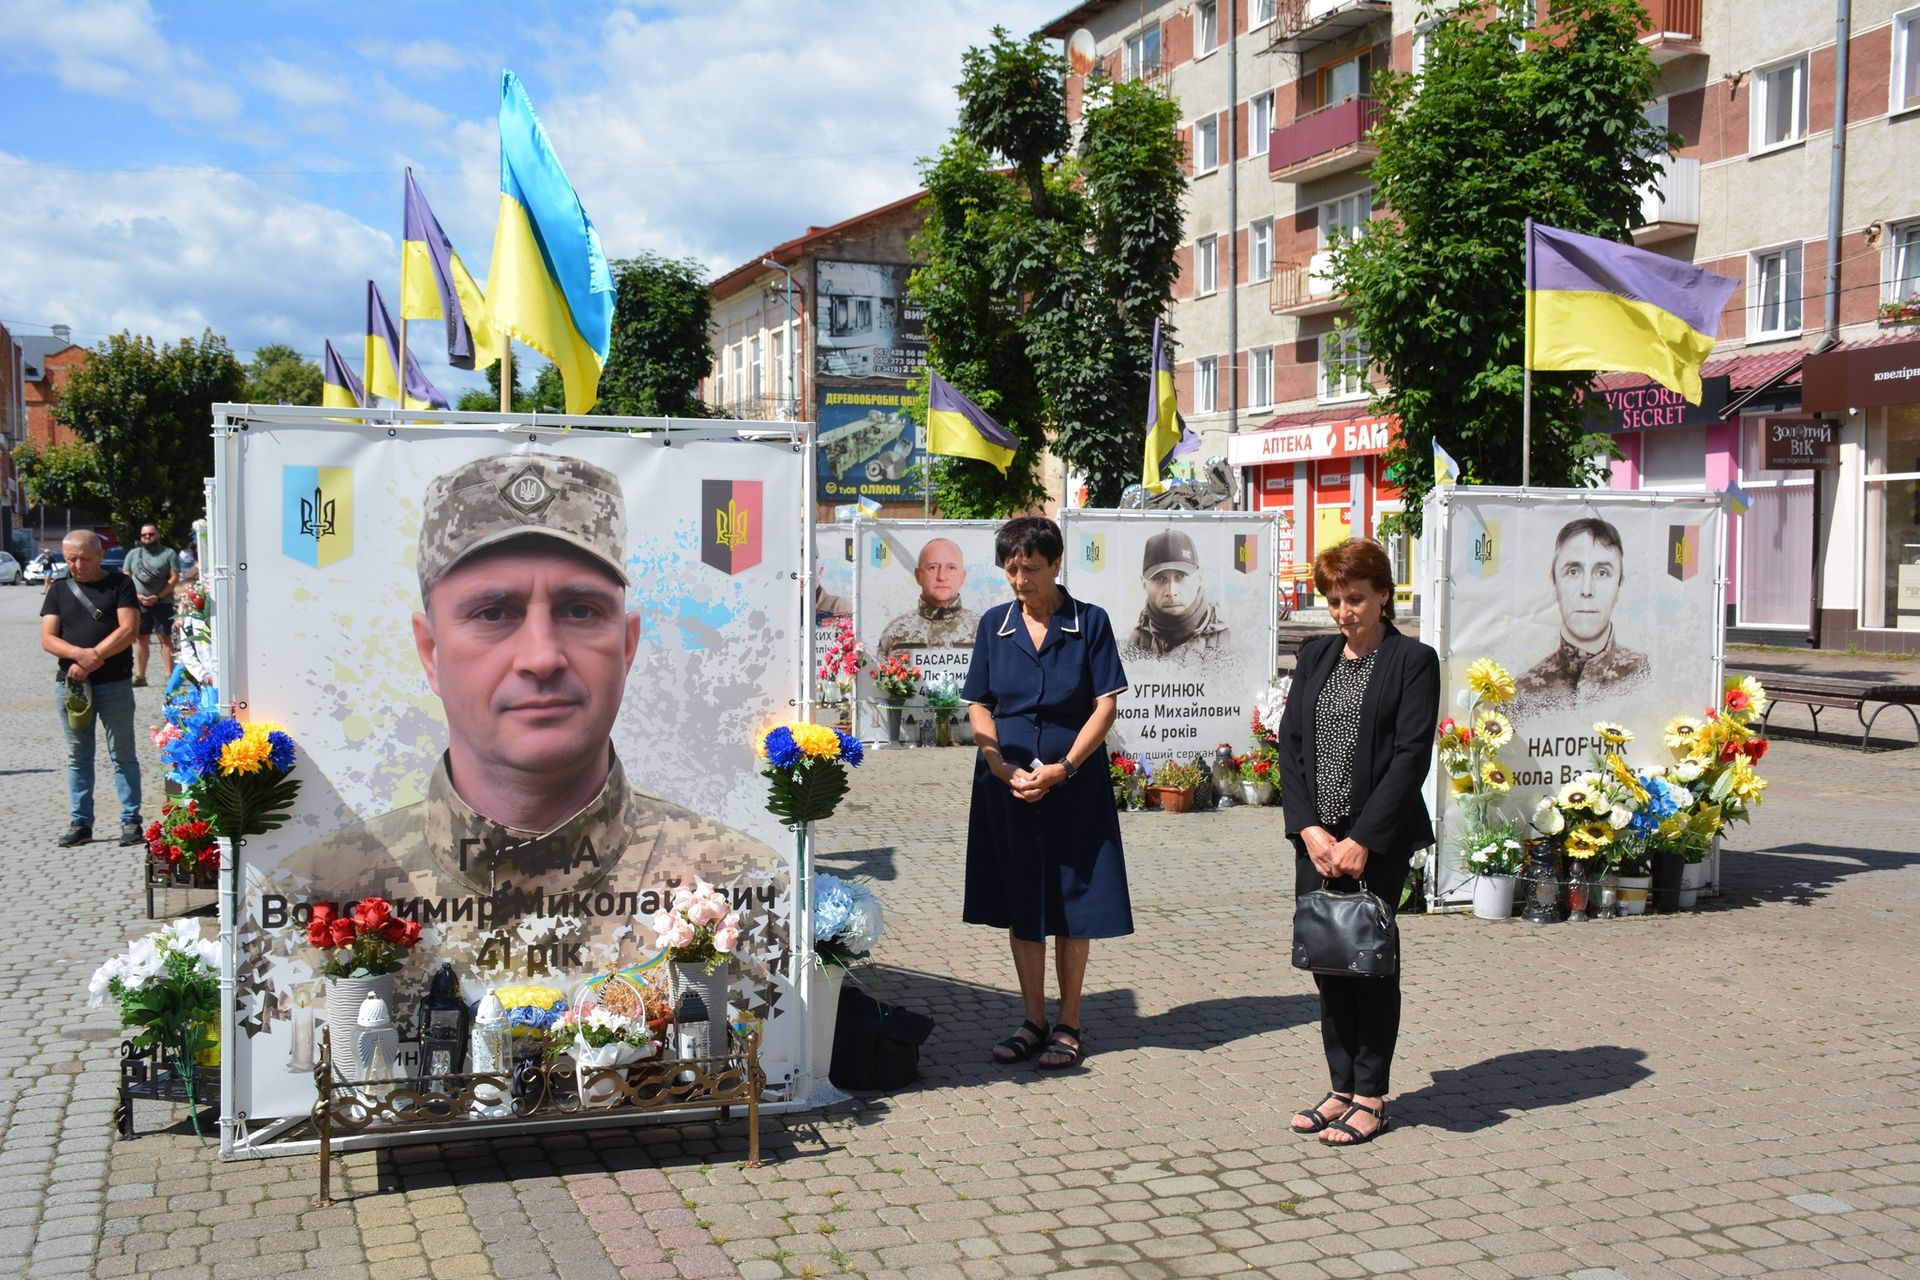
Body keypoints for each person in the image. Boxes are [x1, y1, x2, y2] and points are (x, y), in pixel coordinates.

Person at [267, 452, 776, 991]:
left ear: (626, 646)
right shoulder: (311, 897)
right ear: (430, 652)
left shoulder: (739, 884)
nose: (541, 656)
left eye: (580, 610)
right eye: (494, 613)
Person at [1278, 538, 1439, 1146]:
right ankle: (1339, 1087)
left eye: (1357, 599)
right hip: (1317, 840)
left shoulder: (1412, 660)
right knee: (1327, 960)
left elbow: (1410, 757)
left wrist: (1363, 839)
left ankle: (1371, 1094)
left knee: (1368, 963)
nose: (1345, 612)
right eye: (1336, 600)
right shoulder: (1316, 656)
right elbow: (1291, 747)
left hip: (1378, 841)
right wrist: (1310, 828)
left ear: (1384, 596)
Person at [961, 516, 1131, 1071]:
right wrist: (995, 761)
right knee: (1023, 900)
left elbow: (1105, 706)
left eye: (1029, 568)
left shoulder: (1091, 623)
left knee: (1072, 902)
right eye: (1010, 569)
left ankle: (1070, 1022)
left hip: (1073, 786)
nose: (1018, 580)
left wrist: (1063, 767)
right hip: (1006, 785)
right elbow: (979, 703)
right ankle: (1033, 1019)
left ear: (1056, 564)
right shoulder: (994, 625)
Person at [40, 530, 143, 847]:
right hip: (74, 688)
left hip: (114, 682)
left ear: (100, 555)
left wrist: (92, 657)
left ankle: (131, 821)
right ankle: (81, 822)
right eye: (71, 559)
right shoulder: (58, 589)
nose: (77, 565)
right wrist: (78, 657)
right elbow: (48, 638)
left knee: (123, 754)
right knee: (77, 755)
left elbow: (128, 629)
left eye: (84, 558)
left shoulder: (120, 584)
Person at [1514, 516, 1651, 712]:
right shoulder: (1522, 692)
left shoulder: (1641, 676)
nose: (1587, 590)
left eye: (1602, 572)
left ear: (1619, 585)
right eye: (1573, 572)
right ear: (1554, 583)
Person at [1122, 528, 1231, 665]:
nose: (1171, 591)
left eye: (1181, 576)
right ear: (1144, 584)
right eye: (1159, 579)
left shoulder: (1234, 641)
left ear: (1200, 577)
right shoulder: (1127, 646)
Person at [876, 536, 980, 655]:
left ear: (963, 577)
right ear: (918, 575)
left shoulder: (982, 630)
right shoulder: (894, 633)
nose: (941, 576)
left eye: (951, 567)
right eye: (933, 567)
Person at [123, 522, 178, 688]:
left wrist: (158, 596)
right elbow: (126, 577)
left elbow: (173, 578)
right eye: (144, 535)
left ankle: (169, 676)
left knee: (165, 638)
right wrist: (137, 596)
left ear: (158, 535)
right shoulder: (133, 554)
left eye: (151, 534)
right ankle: (140, 676)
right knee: (141, 639)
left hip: (163, 602)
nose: (147, 537)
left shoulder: (169, 553)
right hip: (139, 603)